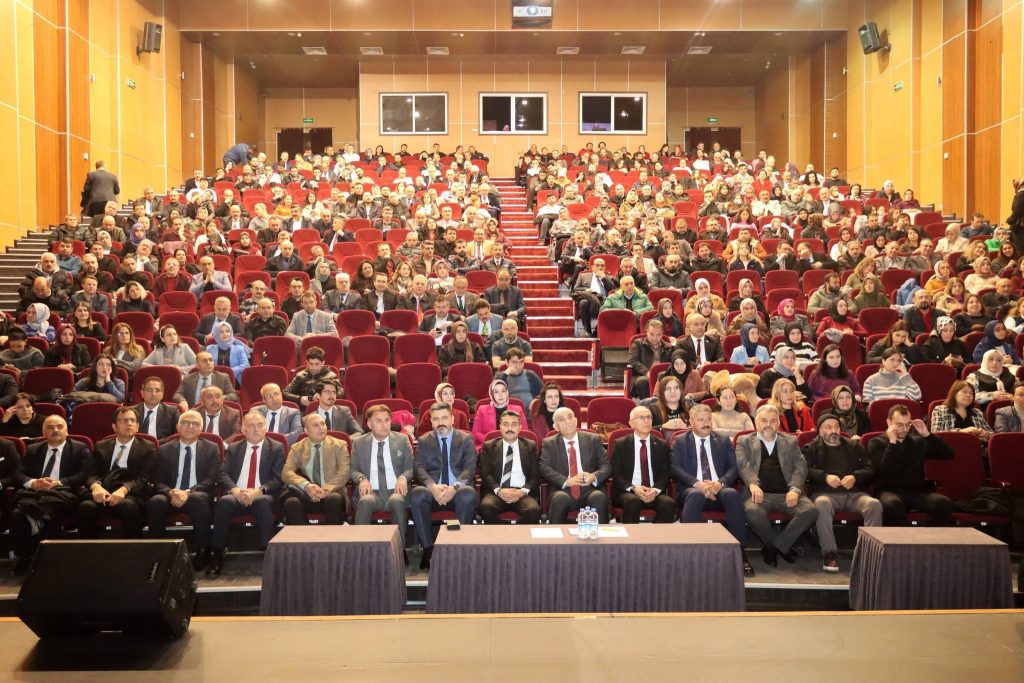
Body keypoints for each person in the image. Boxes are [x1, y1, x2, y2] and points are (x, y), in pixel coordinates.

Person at [672, 403, 753, 576]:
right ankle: (691, 554)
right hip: (691, 491)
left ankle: (740, 553)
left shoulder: (723, 441)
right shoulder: (680, 441)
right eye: (701, 420)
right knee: (696, 495)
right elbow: (675, 468)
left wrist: (719, 483)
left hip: (719, 490)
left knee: (732, 494)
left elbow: (734, 468)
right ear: (691, 422)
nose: (706, 423)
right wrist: (698, 484)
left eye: (708, 419)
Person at [737, 404, 818, 568]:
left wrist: (795, 489)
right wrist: (752, 484)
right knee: (752, 511)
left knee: (810, 511)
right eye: (764, 420)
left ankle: (775, 547)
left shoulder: (790, 441)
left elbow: (801, 467)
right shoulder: (744, 441)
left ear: (779, 424)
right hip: (759, 494)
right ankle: (779, 546)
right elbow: (743, 465)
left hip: (787, 493)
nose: (768, 424)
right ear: (756, 423)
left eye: (773, 421)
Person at [8, 415, 91, 574]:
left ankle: (49, 561)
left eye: (59, 427)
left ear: (67, 430)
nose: (55, 430)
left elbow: (83, 474)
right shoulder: (33, 449)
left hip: (62, 494)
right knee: (18, 514)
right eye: (50, 427)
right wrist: (34, 482)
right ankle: (24, 558)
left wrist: (58, 483)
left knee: (50, 512)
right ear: (43, 432)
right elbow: (18, 474)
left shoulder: (79, 448)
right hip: (34, 494)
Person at [208, 412, 285, 576]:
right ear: (243, 430)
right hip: (238, 494)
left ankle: (268, 553)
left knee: (262, 502)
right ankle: (217, 553)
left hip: (263, 494)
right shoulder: (234, 448)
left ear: (266, 428)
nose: (256, 429)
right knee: (224, 502)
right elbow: (222, 473)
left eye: (260, 425)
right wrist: (236, 490)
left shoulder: (276, 448)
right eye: (251, 426)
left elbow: (278, 478)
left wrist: (258, 491)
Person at [803, 413, 882, 573]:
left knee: (874, 504)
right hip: (826, 493)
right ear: (820, 431)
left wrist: (855, 477)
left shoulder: (854, 446)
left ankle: (871, 554)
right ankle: (829, 553)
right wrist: (825, 477)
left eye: (836, 426)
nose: (834, 430)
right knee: (821, 504)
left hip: (855, 494)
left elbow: (870, 469)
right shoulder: (811, 448)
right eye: (828, 427)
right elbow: (804, 470)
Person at [147, 410, 222, 570]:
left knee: (197, 499)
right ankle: (157, 551)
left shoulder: (211, 448)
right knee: (156, 501)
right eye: (186, 423)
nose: (190, 427)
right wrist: (171, 492)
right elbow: (158, 480)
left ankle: (204, 549)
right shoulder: (164, 449)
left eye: (195, 424)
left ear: (201, 429)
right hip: (171, 494)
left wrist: (187, 492)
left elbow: (211, 479)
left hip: (198, 494)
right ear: (178, 427)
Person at [409, 403, 480, 570]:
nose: (440, 422)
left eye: (444, 418)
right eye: (436, 419)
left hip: (458, 491)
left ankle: (460, 548)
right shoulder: (424, 440)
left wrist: (454, 487)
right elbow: (418, 468)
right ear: (431, 421)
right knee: (417, 494)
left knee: (468, 493)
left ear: (452, 419)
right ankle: (428, 549)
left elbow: (470, 469)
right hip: (434, 492)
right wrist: (432, 487)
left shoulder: (466, 439)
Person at [867, 403, 955, 526]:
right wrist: (892, 443)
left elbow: (948, 454)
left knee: (943, 502)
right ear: (889, 422)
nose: (905, 429)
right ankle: (905, 538)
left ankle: (936, 538)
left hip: (917, 493)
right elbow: (884, 469)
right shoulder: (877, 443)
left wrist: (927, 435)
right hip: (889, 491)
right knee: (893, 505)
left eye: (908, 424)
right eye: (899, 425)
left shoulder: (917, 441)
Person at [77, 407, 156, 539]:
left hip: (130, 494)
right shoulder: (101, 446)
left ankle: (135, 548)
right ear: (114, 427)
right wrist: (96, 487)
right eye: (124, 421)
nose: (129, 424)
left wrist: (123, 490)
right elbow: (90, 473)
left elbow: (143, 478)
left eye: (132, 420)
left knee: (127, 506)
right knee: (86, 507)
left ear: (137, 426)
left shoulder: (147, 447)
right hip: (103, 492)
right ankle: (88, 549)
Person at [350, 404, 414, 535]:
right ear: (369, 424)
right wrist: (361, 479)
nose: (384, 425)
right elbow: (353, 469)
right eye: (379, 421)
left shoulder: (402, 440)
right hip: (371, 491)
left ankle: (399, 546)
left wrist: (403, 477)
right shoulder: (359, 443)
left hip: (396, 491)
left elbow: (411, 467)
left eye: (387, 420)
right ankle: (360, 545)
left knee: (397, 501)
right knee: (365, 501)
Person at [539, 406, 611, 524]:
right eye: (562, 419)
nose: (568, 421)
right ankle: (556, 535)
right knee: (560, 498)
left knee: (598, 497)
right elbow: (544, 468)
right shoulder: (549, 443)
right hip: (562, 489)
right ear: (556, 426)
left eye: (570, 417)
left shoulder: (593, 439)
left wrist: (593, 477)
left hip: (589, 489)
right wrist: (567, 481)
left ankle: (601, 535)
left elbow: (606, 465)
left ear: (576, 420)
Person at [281, 413, 351, 525]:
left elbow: (344, 472)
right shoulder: (297, 448)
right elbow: (286, 472)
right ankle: (302, 535)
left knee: (334, 499)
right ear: (306, 430)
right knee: (291, 502)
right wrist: (307, 486)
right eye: (315, 425)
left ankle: (332, 536)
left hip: (331, 492)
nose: (321, 428)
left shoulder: (339, 445)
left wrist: (326, 490)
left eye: (323, 424)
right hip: (306, 494)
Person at [610, 406, 675, 524]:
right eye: (641, 417)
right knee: (632, 501)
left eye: (649, 417)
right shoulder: (621, 444)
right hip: (627, 492)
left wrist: (655, 490)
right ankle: (631, 536)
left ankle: (656, 535)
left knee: (668, 503)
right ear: (631, 423)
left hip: (653, 492)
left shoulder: (662, 445)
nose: (646, 421)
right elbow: (616, 474)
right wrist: (634, 489)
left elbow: (666, 473)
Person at [478, 410, 542, 525]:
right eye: (506, 424)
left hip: (522, 492)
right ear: (500, 427)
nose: (510, 428)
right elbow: (485, 474)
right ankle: (501, 534)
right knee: (486, 507)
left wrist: (522, 492)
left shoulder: (530, 446)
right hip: (497, 492)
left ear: (520, 427)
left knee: (533, 510)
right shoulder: (489, 446)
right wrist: (499, 491)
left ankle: (517, 534)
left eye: (514, 424)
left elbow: (536, 475)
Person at [627, 319, 674, 399]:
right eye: (652, 334)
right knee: (642, 381)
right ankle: (648, 404)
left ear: (662, 333)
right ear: (646, 332)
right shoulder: (638, 344)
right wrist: (647, 372)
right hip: (643, 376)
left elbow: (674, 362)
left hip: (663, 376)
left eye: (658, 335)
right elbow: (633, 361)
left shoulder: (669, 347)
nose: (655, 338)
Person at [173, 351, 238, 409]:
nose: (208, 363)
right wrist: (182, 401)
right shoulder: (188, 379)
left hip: (214, 411)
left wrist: (220, 397)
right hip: (194, 412)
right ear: (197, 365)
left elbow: (233, 395)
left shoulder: (223, 377)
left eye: (211, 360)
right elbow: (177, 394)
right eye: (204, 360)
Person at [571, 258, 617, 337]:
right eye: (597, 265)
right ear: (592, 267)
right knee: (583, 302)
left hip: (604, 301)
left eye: (602, 266)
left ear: (605, 268)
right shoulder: (583, 276)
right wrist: (586, 290)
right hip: (590, 301)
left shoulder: (609, 278)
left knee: (609, 303)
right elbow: (575, 289)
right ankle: (587, 331)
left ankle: (597, 330)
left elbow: (613, 290)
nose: (600, 268)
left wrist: (603, 278)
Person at [133, 376, 181, 441]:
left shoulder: (172, 412)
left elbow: (177, 436)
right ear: (142, 393)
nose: (153, 394)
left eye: (157, 390)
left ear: (162, 394)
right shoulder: (132, 411)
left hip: (163, 446)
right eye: (149, 390)